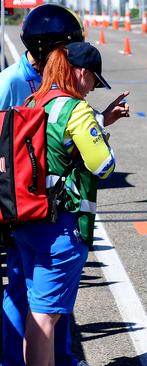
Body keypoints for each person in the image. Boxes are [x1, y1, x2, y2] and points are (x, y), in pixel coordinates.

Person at [0, 4, 128, 366]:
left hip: (26, 214)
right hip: (58, 223)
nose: (92, 88)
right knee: (44, 314)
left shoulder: (34, 99)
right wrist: (99, 132)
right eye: (93, 80)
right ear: (82, 72)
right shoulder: (71, 107)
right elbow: (103, 166)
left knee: (35, 307)